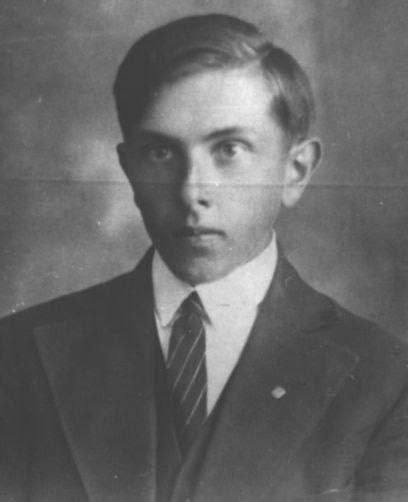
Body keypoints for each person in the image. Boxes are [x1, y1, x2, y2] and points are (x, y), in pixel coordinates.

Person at [0, 13, 408, 502]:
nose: (192, 191)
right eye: (161, 153)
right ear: (129, 170)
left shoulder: (385, 380)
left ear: (295, 170)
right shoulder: (17, 357)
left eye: (229, 149)